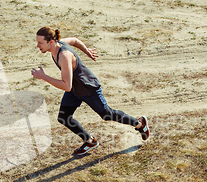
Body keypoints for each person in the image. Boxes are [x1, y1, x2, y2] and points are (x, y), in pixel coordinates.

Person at [31, 26, 149, 156]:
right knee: (64, 117)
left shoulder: (64, 55)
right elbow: (75, 41)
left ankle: (139, 124)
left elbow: (66, 86)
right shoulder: (57, 46)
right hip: (75, 90)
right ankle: (89, 141)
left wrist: (44, 77)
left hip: (88, 88)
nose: (37, 46)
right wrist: (87, 51)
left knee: (107, 114)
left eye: (40, 43)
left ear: (51, 42)